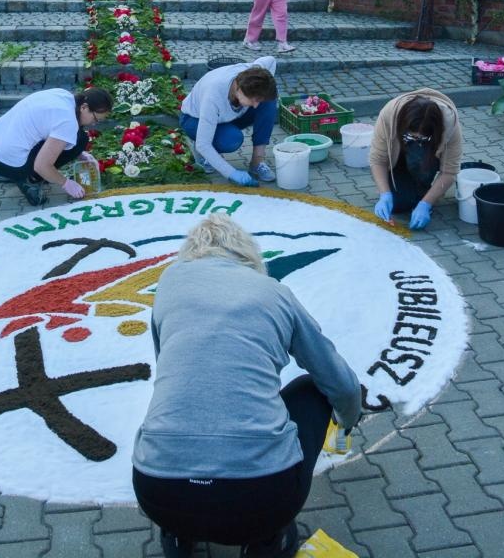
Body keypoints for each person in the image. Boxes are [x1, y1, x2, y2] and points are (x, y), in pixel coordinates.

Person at [132, 216, 361, 558]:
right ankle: (267, 541)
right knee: (310, 390)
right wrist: (347, 419)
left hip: (157, 492)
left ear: (190, 253)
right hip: (263, 500)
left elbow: (165, 361)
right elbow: (339, 383)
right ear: (248, 254)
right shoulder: (275, 293)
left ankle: (180, 535)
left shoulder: (170, 282)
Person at [0, 87, 113, 207]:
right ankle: (30, 181)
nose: (94, 124)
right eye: (96, 119)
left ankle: (32, 173)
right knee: (80, 139)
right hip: (8, 163)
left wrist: (79, 154)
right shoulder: (68, 122)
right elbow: (41, 165)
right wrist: (65, 183)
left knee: (78, 139)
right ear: (84, 107)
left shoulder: (63, 96)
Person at [369, 88, 463, 230]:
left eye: (422, 137)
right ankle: (409, 188)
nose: (416, 140)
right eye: (411, 136)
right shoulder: (389, 114)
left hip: (425, 159)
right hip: (399, 159)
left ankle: (423, 191)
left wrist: (426, 203)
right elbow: (378, 159)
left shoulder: (449, 124)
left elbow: (450, 171)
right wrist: (385, 194)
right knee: (398, 204)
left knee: (418, 157)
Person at [179, 58, 279, 185]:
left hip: (227, 116)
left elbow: (271, 60)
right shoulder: (213, 96)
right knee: (231, 139)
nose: (255, 106)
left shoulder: (254, 72)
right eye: (252, 100)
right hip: (194, 119)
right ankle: (205, 152)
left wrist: (267, 81)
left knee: (268, 101)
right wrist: (231, 173)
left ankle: (257, 162)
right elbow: (203, 144)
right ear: (239, 89)